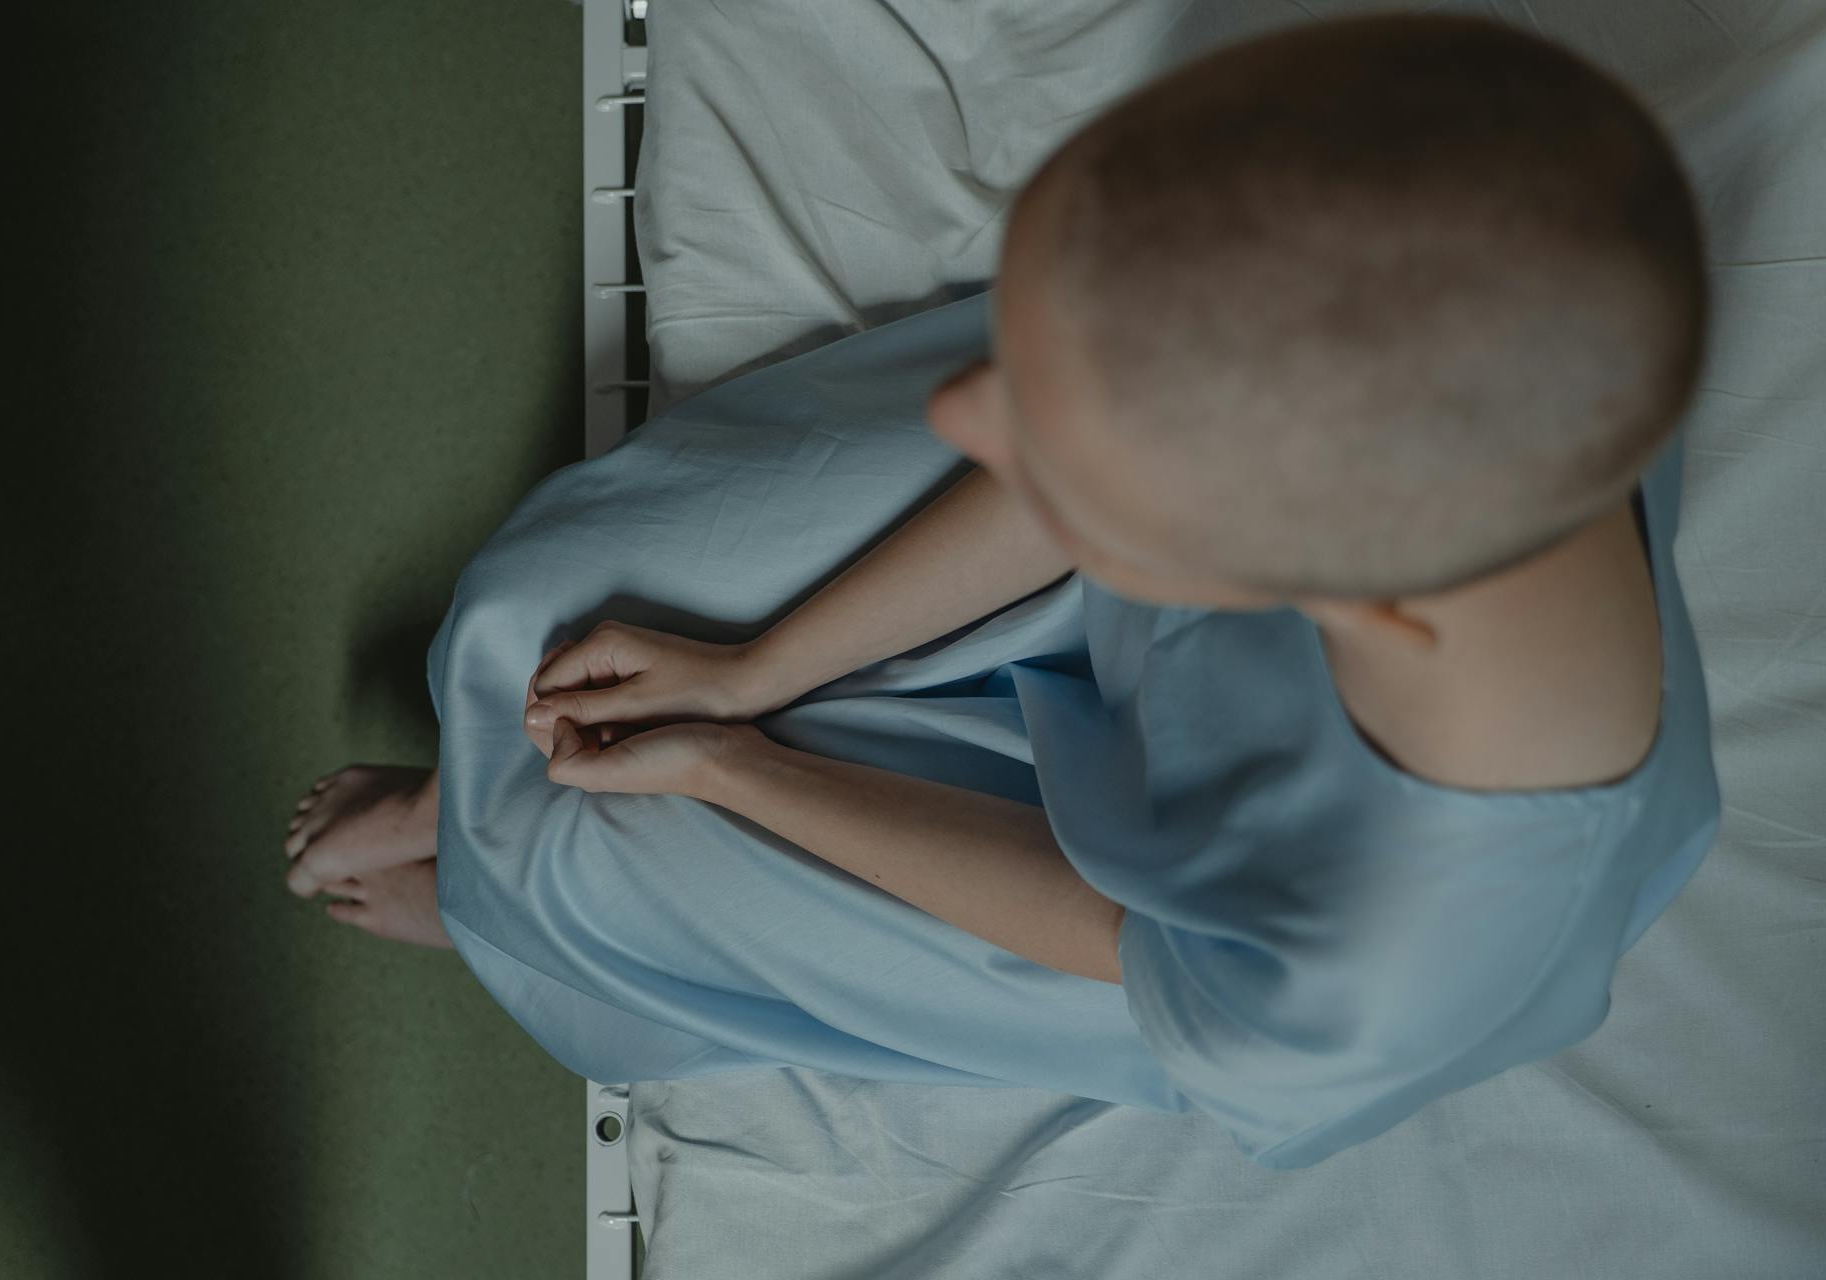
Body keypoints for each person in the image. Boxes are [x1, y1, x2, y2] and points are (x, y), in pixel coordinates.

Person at [281, 15, 1720, 1168]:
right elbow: (1055, 443)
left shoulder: (1359, 973)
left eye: (1045, 425)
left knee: (575, 857)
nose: (971, 411)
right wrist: (759, 664)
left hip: (1137, 911)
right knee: (541, 619)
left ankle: (490, 880)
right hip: (1169, 527)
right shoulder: (1481, 266)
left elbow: (1106, 931)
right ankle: (501, 818)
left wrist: (738, 763)